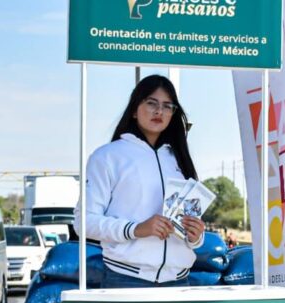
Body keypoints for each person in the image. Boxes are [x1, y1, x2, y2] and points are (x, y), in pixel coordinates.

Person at [74, 75, 205, 289]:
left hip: (179, 281)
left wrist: (196, 236)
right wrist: (137, 229)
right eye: (151, 103)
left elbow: (188, 228)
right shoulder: (107, 157)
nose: (159, 111)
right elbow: (83, 222)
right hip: (126, 279)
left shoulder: (180, 159)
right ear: (134, 110)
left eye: (167, 106)